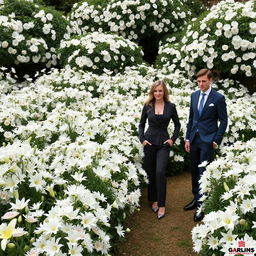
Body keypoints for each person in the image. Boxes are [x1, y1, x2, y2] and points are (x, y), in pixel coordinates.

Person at [184, 69, 228, 222]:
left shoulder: (218, 98)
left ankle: (202, 206)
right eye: (198, 82)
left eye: (203, 81)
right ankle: (196, 198)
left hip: (208, 141)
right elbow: (191, 119)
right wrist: (187, 139)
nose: (200, 84)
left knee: (204, 172)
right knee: (194, 170)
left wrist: (216, 140)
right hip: (194, 139)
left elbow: (223, 120)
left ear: (210, 81)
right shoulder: (194, 95)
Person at [138, 80, 181, 219]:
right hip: (149, 143)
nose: (157, 93)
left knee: (160, 172)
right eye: (155, 91)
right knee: (151, 173)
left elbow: (177, 125)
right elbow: (141, 124)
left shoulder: (171, 106)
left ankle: (162, 205)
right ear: (152, 92)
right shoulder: (147, 106)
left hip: (163, 143)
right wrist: (142, 139)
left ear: (164, 92)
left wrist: (172, 139)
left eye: (160, 91)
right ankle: (154, 200)